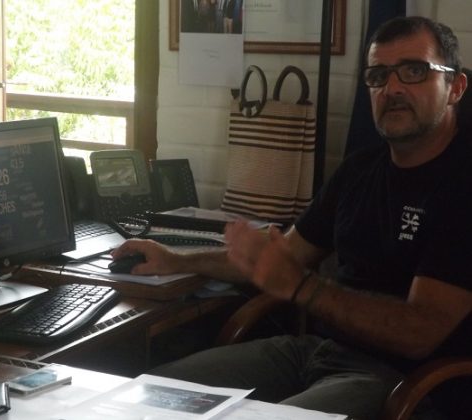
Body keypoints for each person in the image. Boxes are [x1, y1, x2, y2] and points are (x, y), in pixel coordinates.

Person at [112, 16, 472, 420]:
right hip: (315, 352)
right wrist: (175, 260)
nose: (392, 88)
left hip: (405, 382)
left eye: (414, 71)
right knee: (153, 395)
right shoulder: (359, 170)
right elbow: (281, 257)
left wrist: (303, 287)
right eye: (378, 75)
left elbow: (419, 333)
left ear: (456, 87)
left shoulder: (462, 184)